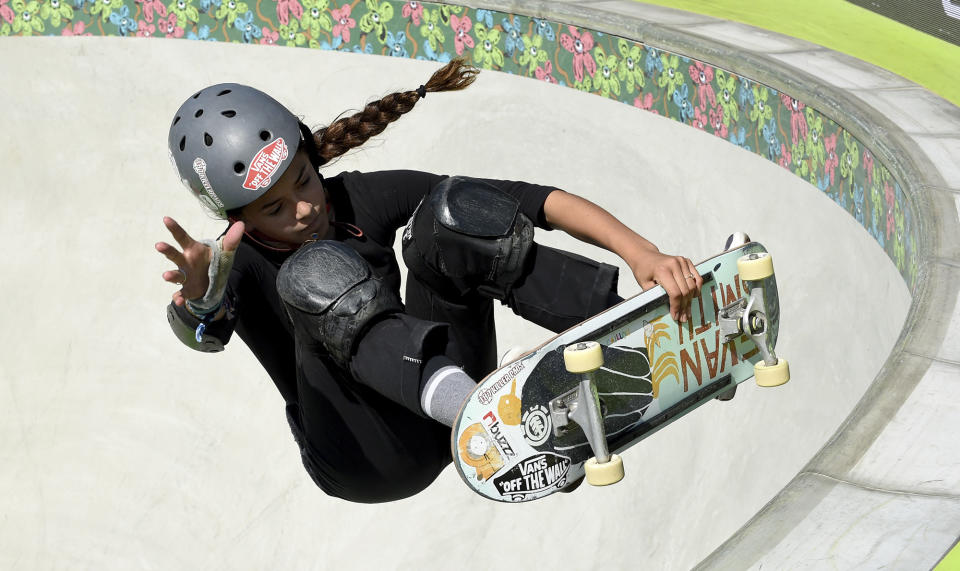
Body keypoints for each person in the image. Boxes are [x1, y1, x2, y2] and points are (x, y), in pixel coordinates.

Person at [157, 59, 704, 503]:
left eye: (304, 179)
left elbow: (528, 200)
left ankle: (629, 323)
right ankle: (494, 421)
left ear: (309, 152)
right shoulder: (240, 263)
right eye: (274, 209)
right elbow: (203, 332)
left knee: (449, 214)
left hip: (440, 408)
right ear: (240, 221)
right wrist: (201, 301)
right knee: (312, 272)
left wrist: (642, 253)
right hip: (364, 455)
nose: (303, 209)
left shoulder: (358, 196)